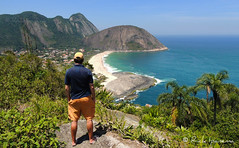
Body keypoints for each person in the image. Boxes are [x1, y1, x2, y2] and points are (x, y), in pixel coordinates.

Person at [65, 52, 96, 146]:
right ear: (82, 60)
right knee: (89, 119)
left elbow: (67, 88)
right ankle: (91, 139)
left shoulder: (69, 71)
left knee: (74, 121)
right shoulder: (87, 71)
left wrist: (69, 98)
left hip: (74, 99)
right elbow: (92, 87)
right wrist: (93, 97)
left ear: (74, 60)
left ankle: (74, 141)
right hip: (86, 98)